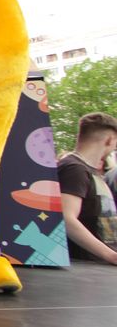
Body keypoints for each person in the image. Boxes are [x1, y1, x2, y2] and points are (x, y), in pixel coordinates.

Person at [58, 112, 117, 265]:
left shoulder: (89, 171)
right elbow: (66, 218)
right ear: (110, 140)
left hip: (97, 265)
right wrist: (111, 255)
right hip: (84, 266)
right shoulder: (74, 168)